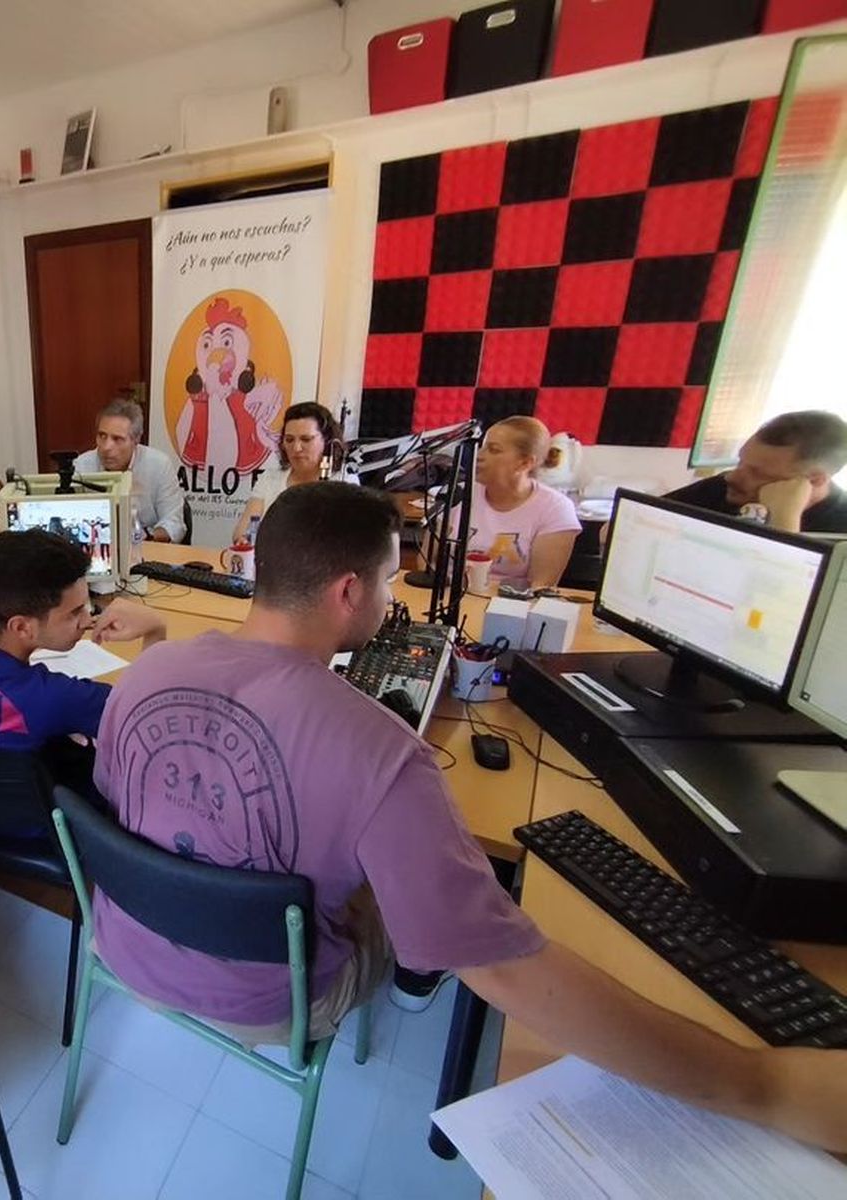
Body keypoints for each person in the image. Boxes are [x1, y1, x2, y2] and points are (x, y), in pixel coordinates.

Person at [89, 482, 847, 1153]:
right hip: (271, 1002)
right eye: (390, 582)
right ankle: (413, 984)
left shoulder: (144, 672)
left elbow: (125, 809)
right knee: (435, 908)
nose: (394, 600)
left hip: (127, 946)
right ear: (350, 592)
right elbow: (504, 973)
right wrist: (762, 1084)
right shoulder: (384, 754)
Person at [0, 529, 167, 756]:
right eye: (75, 612)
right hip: (41, 798)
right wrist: (155, 628)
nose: (88, 619)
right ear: (22, 627)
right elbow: (151, 716)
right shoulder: (55, 698)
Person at [664, 409, 847, 534]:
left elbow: (778, 589)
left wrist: (784, 520)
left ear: (814, 480)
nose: (732, 476)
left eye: (758, 473)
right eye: (740, 462)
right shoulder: (720, 488)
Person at [466, 416, 580, 591]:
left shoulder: (556, 509)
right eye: (482, 448)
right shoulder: (456, 495)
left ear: (525, 463)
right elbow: (429, 564)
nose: (479, 456)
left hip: (508, 605)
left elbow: (541, 585)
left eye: (493, 450)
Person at [72, 398, 187, 543]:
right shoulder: (82, 466)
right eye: (102, 436)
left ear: (136, 439)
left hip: (145, 548)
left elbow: (174, 523)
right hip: (96, 547)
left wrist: (144, 535)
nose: (106, 447)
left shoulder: (159, 465)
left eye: (117, 439)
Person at [231, 401, 342, 545]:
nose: (296, 448)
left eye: (306, 439)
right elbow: (245, 529)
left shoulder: (343, 481)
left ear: (327, 441)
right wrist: (244, 540)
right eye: (289, 440)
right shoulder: (269, 479)